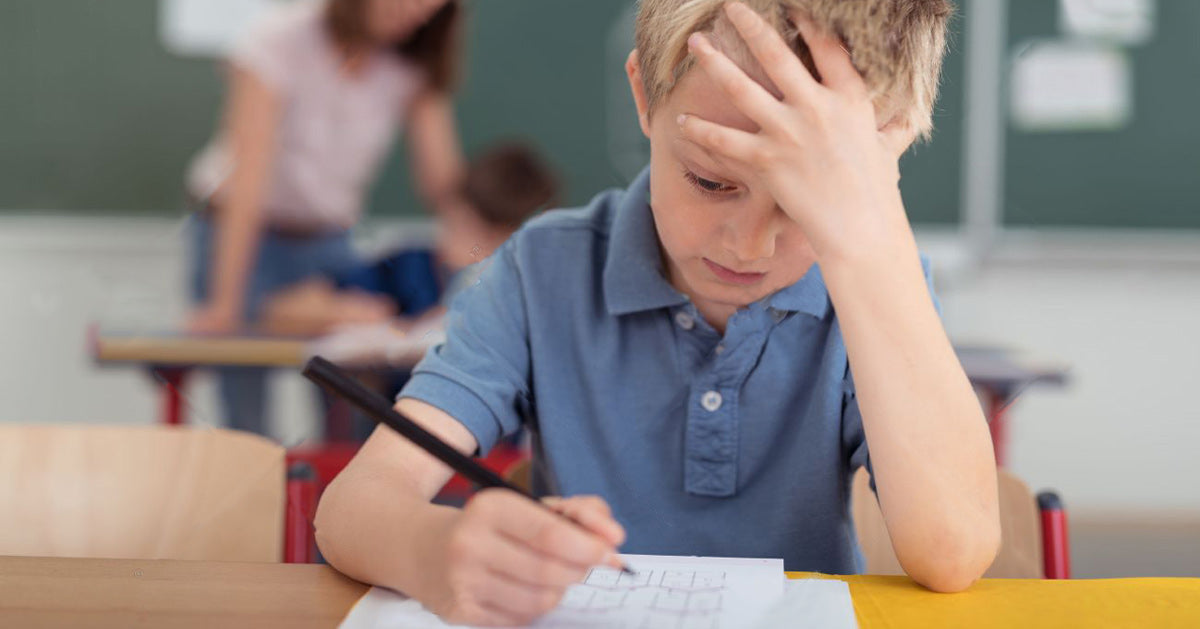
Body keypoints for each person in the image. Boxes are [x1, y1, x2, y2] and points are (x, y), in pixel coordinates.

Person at [314, 1, 1001, 625]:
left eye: (801, 201)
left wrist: (868, 240)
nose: (748, 242)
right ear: (644, 94)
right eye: (709, 179)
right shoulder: (540, 271)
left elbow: (956, 549)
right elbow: (351, 510)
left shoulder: (876, 289)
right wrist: (437, 549)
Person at [183, 0, 465, 435]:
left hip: (329, 242)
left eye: (432, 8)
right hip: (239, 237)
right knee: (245, 416)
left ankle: (335, 503)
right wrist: (225, 303)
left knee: (349, 408)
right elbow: (250, 176)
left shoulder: (412, 62)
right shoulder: (277, 40)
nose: (416, 14)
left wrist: (479, 266)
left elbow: (442, 185)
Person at [258, 142, 560, 341]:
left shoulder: (537, 288)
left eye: (494, 239)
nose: (474, 249)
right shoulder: (406, 267)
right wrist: (342, 311)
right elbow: (280, 311)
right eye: (467, 226)